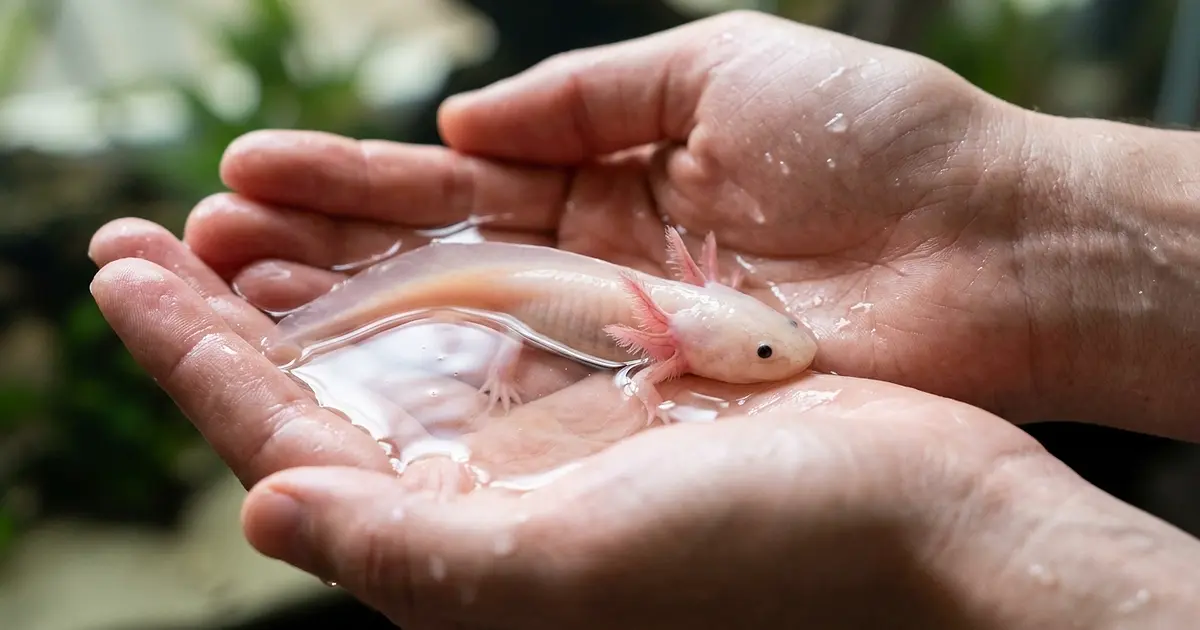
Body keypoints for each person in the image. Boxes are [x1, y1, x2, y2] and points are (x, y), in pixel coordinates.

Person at [86, 11, 1200, 629]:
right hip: (520, 293)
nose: (780, 355)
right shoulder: (669, 332)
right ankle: (324, 323)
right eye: (763, 350)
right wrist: (641, 388)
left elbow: (707, 352)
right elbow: (648, 369)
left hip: (585, 296)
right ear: (682, 320)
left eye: (765, 345)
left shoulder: (699, 310)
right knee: (474, 308)